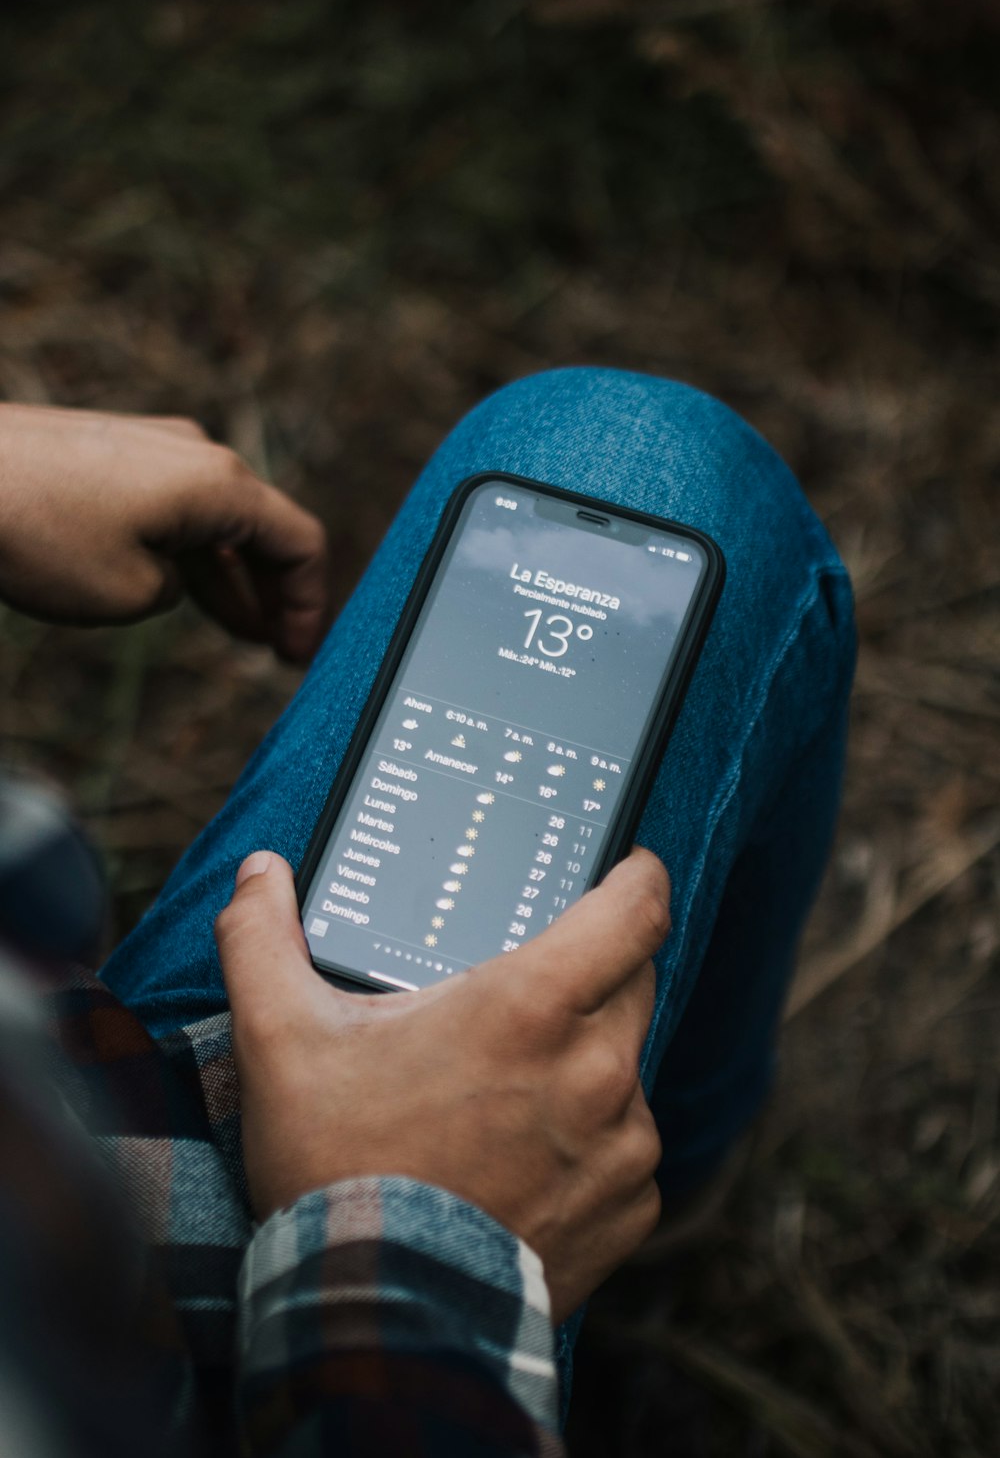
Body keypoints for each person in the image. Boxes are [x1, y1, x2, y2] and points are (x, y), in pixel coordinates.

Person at [0, 371, 855, 1455]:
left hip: (79, 1080)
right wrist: (422, 1218)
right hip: (240, 1306)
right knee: (662, 465)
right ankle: (641, 1195)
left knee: (612, 448)